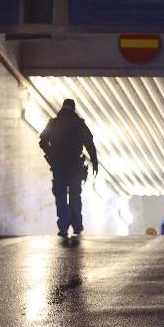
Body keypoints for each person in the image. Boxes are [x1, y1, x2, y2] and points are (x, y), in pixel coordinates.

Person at [39, 99, 98, 238]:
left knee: (60, 196)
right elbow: (89, 143)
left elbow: (42, 140)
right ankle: (77, 226)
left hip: (59, 166)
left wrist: (51, 153)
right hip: (75, 166)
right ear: (74, 108)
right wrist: (95, 162)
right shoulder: (79, 124)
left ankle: (64, 227)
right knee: (75, 196)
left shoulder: (53, 123)